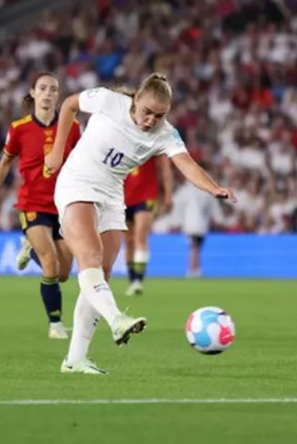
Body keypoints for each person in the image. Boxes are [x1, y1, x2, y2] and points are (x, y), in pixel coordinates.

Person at [44, 73, 236, 375]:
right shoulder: (109, 101)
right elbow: (69, 105)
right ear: (135, 101)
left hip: (112, 194)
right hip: (77, 182)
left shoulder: (165, 134)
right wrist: (57, 151)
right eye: (147, 112)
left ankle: (75, 360)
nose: (151, 120)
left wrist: (213, 188)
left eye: (159, 115)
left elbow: (186, 163)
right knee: (90, 258)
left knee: (101, 274)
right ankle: (117, 319)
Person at [0, 72, 82, 340]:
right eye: (43, 88)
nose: (48, 93)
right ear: (33, 92)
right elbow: (4, 163)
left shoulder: (71, 127)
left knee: (62, 274)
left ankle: (30, 247)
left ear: (58, 95)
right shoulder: (19, 128)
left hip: (63, 205)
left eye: (53, 89)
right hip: (32, 204)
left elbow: (81, 160)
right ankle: (55, 324)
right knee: (50, 264)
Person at [123, 155, 173, 296]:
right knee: (129, 241)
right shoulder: (119, 136)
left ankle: (139, 279)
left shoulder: (151, 138)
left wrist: (168, 194)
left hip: (146, 194)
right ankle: (132, 280)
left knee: (140, 236)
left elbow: (165, 167)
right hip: (122, 196)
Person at [172, 172, 222, 277]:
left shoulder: (184, 190)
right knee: (195, 246)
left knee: (194, 246)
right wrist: (218, 219)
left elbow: (177, 206)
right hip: (200, 224)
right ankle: (194, 270)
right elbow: (214, 208)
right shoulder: (206, 190)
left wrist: (176, 222)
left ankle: (193, 269)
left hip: (190, 224)